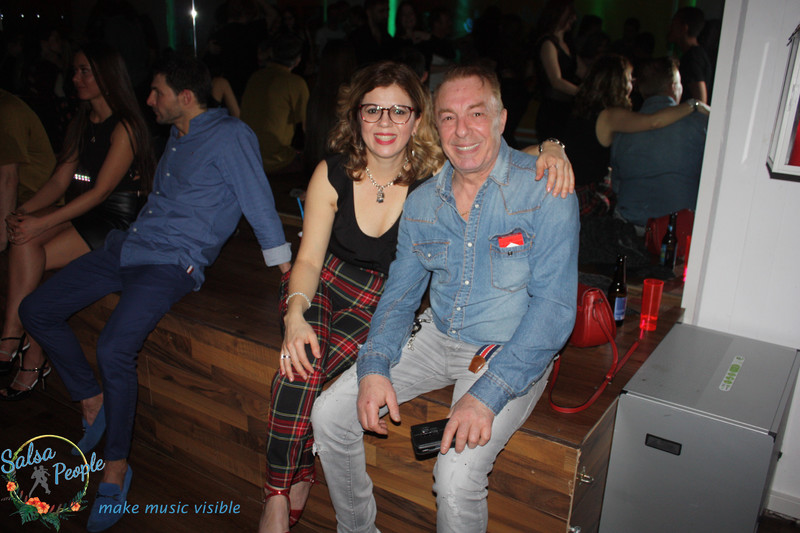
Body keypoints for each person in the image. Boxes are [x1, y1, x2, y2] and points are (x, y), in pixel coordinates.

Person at [259, 61, 575, 533]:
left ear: (502, 118)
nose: (462, 130)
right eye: (449, 117)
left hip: (507, 349)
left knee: (455, 477)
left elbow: (555, 310)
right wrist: (374, 367)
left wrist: (486, 395)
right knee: (329, 413)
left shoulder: (544, 188)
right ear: (435, 125)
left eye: (476, 113)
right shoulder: (424, 200)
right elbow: (399, 298)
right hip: (433, 336)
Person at [18, 54, 291, 532]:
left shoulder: (230, 135)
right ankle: (91, 400)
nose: (148, 100)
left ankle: (116, 469)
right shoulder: (177, 136)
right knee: (35, 308)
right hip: (128, 248)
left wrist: (291, 281)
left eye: (156, 92)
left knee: (113, 348)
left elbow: (260, 206)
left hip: (170, 264)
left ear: (185, 97)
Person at [1, 43, 155, 397]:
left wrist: (41, 222)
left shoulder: (126, 126)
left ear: (106, 75)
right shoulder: (82, 121)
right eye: (75, 71)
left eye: (85, 71)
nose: (75, 78)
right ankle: (18, 338)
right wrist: (22, 214)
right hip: (84, 212)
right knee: (24, 238)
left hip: (115, 221)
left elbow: (101, 192)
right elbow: (59, 181)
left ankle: (19, 342)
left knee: (31, 246)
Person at [561, 53, 709, 216]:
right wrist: (694, 105)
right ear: (617, 83)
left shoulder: (584, 112)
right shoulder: (610, 116)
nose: (633, 84)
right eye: (629, 79)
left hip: (570, 191)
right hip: (585, 197)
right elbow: (654, 121)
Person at [611, 57, 709, 228]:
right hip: (680, 228)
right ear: (673, 86)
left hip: (630, 226)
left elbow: (617, 185)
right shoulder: (701, 123)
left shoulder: (624, 126)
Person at [240, 33, 309, 174]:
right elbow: (307, 127)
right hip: (276, 160)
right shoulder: (295, 83)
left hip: (247, 157)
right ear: (298, 59)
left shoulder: (256, 77)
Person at [0, 88, 56, 252]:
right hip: (16, 203)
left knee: (20, 241)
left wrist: (3, 238)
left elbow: (8, 179)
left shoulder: (7, 110)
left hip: (32, 202)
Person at [533, 0, 580, 141]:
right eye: (570, 14)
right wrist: (585, 94)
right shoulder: (548, 43)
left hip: (566, 108)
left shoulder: (568, 44)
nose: (574, 18)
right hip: (552, 109)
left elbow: (583, 71)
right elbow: (556, 81)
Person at [667, 6, 712, 104]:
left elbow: (700, 101)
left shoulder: (692, 57)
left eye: (673, 24)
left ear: (684, 28)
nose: (670, 28)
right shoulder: (696, 54)